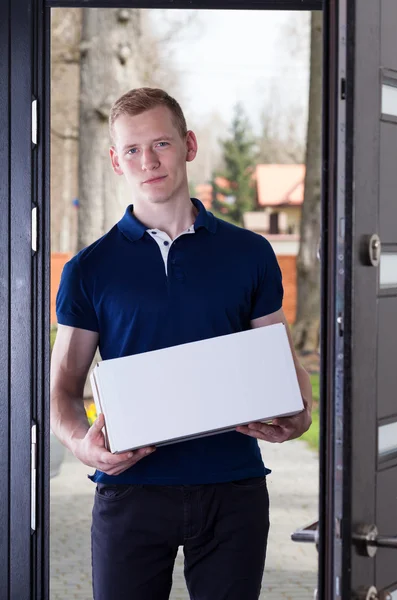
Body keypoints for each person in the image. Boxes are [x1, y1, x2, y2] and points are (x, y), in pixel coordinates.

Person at [50, 87, 312, 600]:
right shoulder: (89, 269)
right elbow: (63, 386)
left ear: (188, 145)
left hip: (233, 487)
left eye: (161, 144)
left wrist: (301, 413)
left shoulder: (250, 253)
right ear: (114, 160)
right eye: (132, 149)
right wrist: (82, 445)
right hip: (130, 492)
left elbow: (281, 355)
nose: (147, 161)